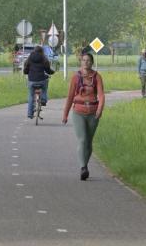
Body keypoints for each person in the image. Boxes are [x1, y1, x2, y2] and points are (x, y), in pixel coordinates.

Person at [62, 52, 105, 180]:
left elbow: (101, 95)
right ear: (81, 62)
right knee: (82, 139)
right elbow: (70, 96)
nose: (85, 62)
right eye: (83, 60)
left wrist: (100, 109)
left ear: (92, 62)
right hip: (78, 112)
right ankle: (83, 168)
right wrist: (65, 114)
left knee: (89, 142)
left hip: (93, 112)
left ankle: (85, 164)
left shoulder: (97, 77)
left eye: (88, 60)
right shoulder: (76, 77)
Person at [23, 45, 55, 119]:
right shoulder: (44, 58)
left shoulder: (29, 58)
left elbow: (26, 68)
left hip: (31, 80)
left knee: (31, 96)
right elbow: (48, 70)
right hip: (41, 79)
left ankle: (30, 114)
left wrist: (26, 72)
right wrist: (52, 72)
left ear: (34, 51)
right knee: (45, 86)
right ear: (42, 51)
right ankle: (43, 99)